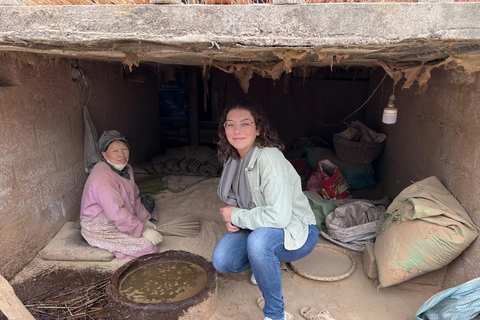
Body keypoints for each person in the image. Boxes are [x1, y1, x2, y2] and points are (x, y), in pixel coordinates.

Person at [212, 99, 319, 320]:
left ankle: (275, 314)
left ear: (258, 128)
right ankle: (264, 265)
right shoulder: (233, 158)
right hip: (259, 225)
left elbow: (279, 217)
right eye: (230, 124)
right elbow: (238, 202)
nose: (237, 130)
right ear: (224, 129)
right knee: (223, 260)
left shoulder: (270, 159)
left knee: (259, 242)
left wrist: (237, 216)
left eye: (245, 123)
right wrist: (236, 217)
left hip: (296, 230)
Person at [80, 130, 162, 260]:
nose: (121, 155)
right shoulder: (102, 176)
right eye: (115, 151)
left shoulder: (126, 168)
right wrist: (144, 231)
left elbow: (135, 197)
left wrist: (145, 220)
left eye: (124, 149)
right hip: (100, 226)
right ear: (104, 154)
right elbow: (115, 212)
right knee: (148, 248)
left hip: (118, 219)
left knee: (147, 208)